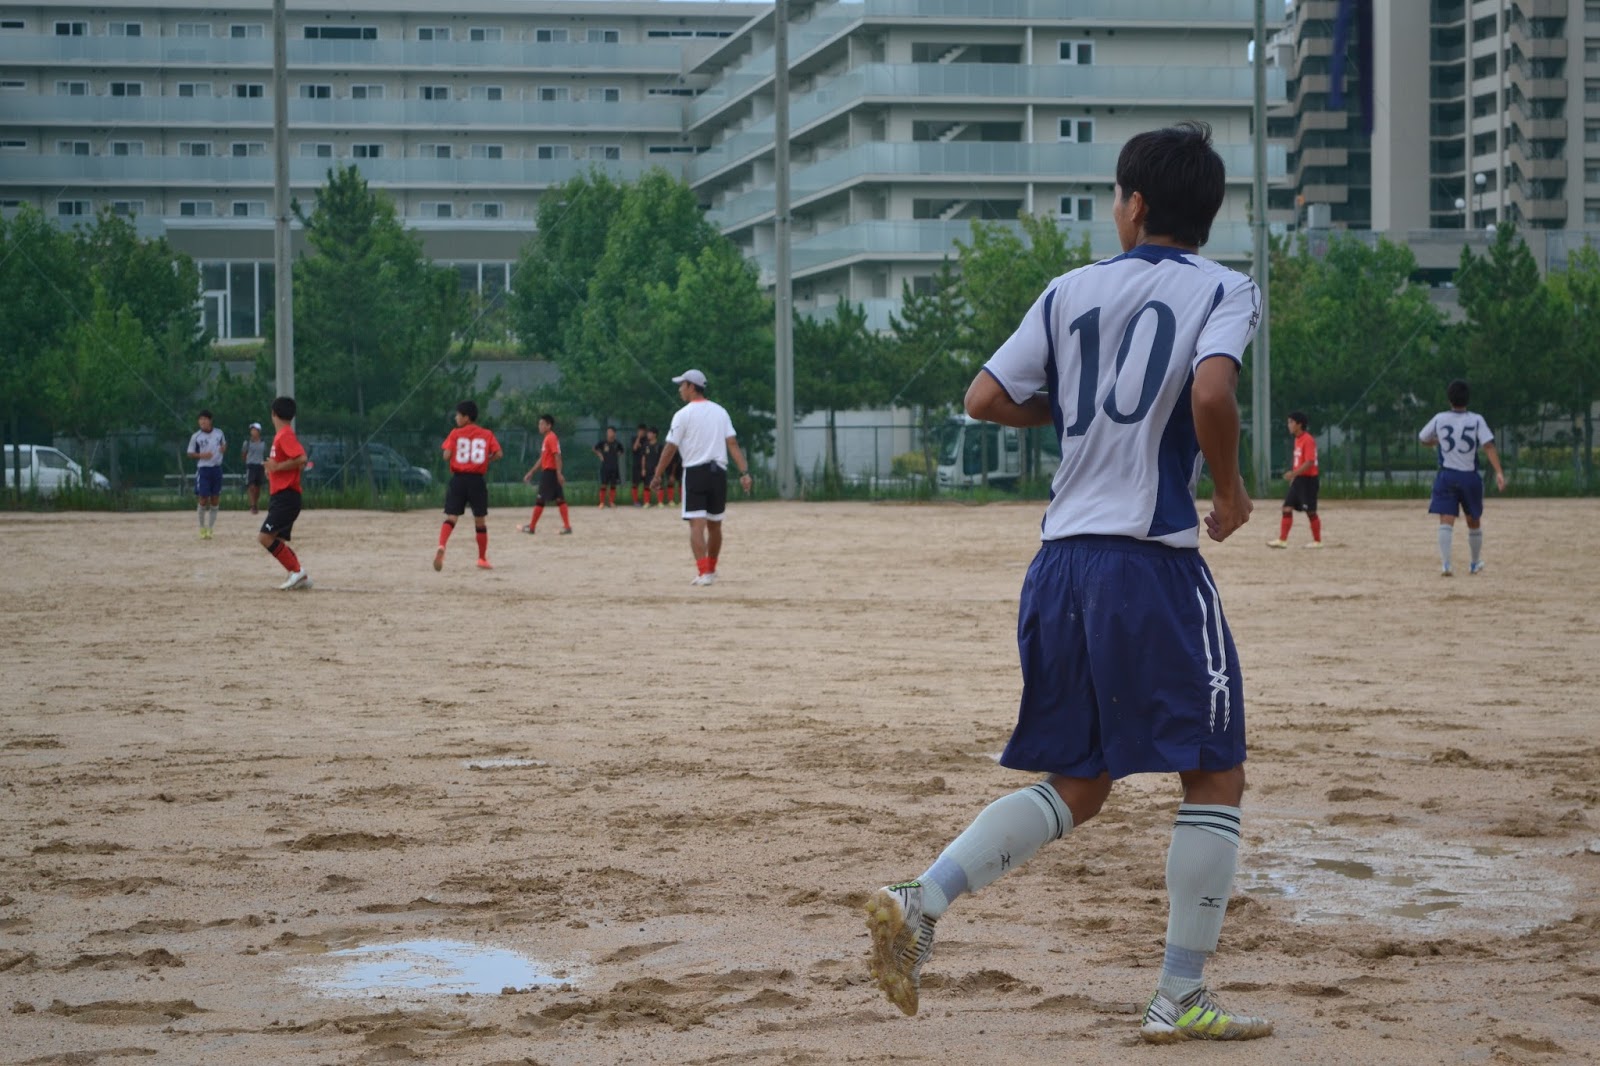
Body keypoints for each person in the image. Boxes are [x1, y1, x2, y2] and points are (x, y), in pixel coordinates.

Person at [864, 122, 1272, 1045]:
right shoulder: (1224, 286)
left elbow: (983, 398)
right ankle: (1178, 995)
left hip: (1059, 567)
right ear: (1203, 213)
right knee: (1215, 771)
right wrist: (1235, 490)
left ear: (1132, 205)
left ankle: (922, 897)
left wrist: (1071, 412)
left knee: (1080, 781)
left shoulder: (1069, 288)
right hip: (1151, 562)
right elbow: (1211, 394)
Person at [650, 369, 753, 586]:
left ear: (691, 387)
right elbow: (732, 444)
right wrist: (744, 472)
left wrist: (657, 474)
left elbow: (670, 448)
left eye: (682, 385)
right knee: (715, 525)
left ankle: (704, 572)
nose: (679, 390)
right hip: (719, 473)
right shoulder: (720, 412)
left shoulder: (682, 415)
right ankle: (711, 570)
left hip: (695, 472)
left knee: (697, 524)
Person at [1418, 379, 1506, 576]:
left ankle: (1446, 564)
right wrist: (1499, 472)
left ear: (1449, 399)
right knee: (1473, 520)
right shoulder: (1476, 420)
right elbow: (1488, 445)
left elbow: (1422, 438)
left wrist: (1436, 442)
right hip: (1469, 476)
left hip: (1447, 475)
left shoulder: (1440, 418)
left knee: (1446, 520)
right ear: (1468, 399)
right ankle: (1474, 563)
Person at [436, 400, 503, 571]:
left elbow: (446, 455)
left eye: (458, 415)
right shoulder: (486, 434)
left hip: (458, 479)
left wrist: (452, 454)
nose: (456, 417)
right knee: (479, 520)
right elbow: (499, 453)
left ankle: (442, 545)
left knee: (451, 517)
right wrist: (487, 460)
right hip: (476, 481)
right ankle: (481, 558)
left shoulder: (455, 433)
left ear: (466, 417)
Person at [258, 396, 311, 590]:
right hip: (282, 496)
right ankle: (297, 574)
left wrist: (278, 467)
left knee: (265, 537)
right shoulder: (281, 435)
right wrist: (273, 468)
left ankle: (297, 571)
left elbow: (302, 458)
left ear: (273, 414)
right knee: (277, 540)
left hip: (286, 497)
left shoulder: (284, 435)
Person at [1265, 411, 1322, 549]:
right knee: (1287, 507)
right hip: (1299, 480)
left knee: (1311, 512)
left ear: (1299, 424)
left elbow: (1309, 462)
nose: (1288, 425)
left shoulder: (1308, 439)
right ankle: (1282, 540)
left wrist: (1293, 474)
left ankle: (1317, 541)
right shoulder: (1297, 439)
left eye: (1291, 422)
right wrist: (1295, 477)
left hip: (1308, 481)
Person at [521, 414, 572, 535]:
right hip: (551, 472)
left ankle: (532, 527)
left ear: (549, 425)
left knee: (540, 500)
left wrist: (559, 473)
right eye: (539, 424)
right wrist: (532, 472)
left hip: (550, 473)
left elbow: (557, 456)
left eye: (542, 424)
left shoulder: (551, 438)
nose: (540, 426)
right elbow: (542, 458)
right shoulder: (547, 438)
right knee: (560, 499)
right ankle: (567, 526)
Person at [186, 409, 226, 539]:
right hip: (203, 469)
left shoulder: (219, 433)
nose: (202, 422)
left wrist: (223, 448)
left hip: (216, 469)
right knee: (203, 498)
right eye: (200, 419)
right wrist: (201, 455)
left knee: (215, 499)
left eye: (205, 419)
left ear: (210, 420)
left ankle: (210, 528)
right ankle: (202, 528)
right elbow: (190, 453)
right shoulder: (196, 436)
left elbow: (223, 445)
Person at [593, 426, 624, 509]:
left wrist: (617, 455)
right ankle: (602, 503)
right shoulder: (603, 442)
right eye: (608, 432)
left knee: (613, 485)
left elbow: (622, 451)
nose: (609, 433)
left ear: (614, 433)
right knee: (603, 485)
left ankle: (611, 502)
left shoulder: (617, 443)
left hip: (614, 467)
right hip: (605, 467)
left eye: (611, 432)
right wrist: (600, 455)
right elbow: (595, 448)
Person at [241, 422, 267, 515]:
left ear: (259, 431)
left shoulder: (263, 442)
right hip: (251, 465)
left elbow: (265, 454)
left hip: (260, 465)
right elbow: (244, 454)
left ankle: (256, 503)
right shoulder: (247, 443)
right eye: (252, 430)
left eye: (255, 430)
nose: (253, 432)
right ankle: (252, 505)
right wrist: (247, 462)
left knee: (258, 487)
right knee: (251, 486)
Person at [642, 427, 664, 507]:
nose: (648, 435)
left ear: (654, 434)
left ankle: (660, 502)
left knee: (658, 484)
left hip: (657, 468)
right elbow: (643, 457)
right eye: (648, 433)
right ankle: (647, 502)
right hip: (648, 468)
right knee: (646, 484)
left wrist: (659, 467)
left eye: (650, 433)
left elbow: (662, 457)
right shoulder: (645, 445)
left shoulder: (659, 445)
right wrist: (643, 469)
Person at [630, 423, 650, 506]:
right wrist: (638, 438)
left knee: (646, 483)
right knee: (635, 483)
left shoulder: (647, 440)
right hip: (636, 464)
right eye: (639, 431)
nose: (641, 432)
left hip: (646, 464)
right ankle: (635, 501)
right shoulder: (634, 438)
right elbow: (634, 448)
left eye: (642, 431)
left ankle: (646, 501)